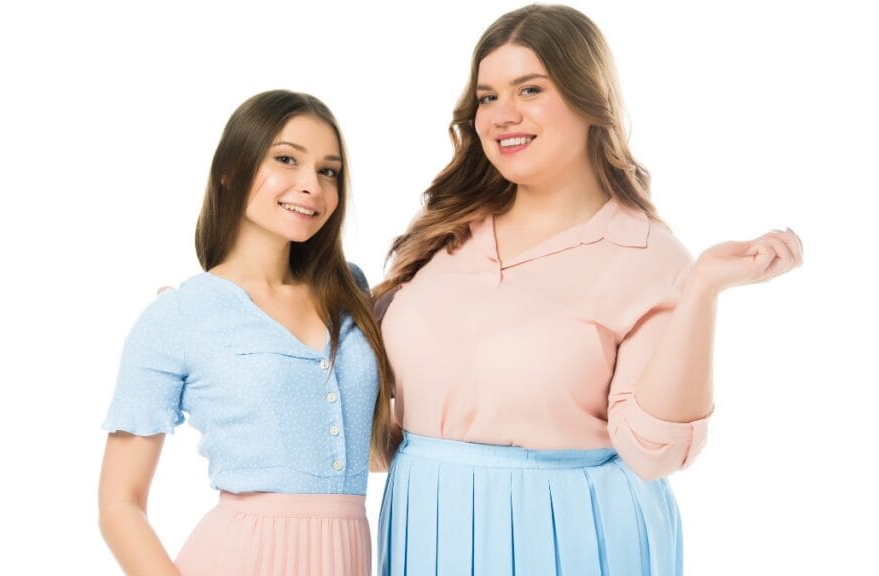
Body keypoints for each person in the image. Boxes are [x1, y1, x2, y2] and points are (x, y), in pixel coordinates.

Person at [374, 5, 803, 575]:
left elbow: (652, 451)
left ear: (587, 98)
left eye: (530, 89)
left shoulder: (647, 257)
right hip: (425, 529)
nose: (502, 115)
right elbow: (368, 416)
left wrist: (702, 291)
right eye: (487, 97)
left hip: (570, 537)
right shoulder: (444, 234)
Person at [98, 90, 391, 576]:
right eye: (286, 159)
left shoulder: (351, 293)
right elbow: (119, 504)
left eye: (328, 171)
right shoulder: (179, 315)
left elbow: (369, 449)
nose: (312, 186)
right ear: (230, 171)